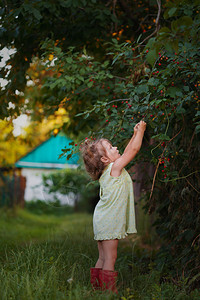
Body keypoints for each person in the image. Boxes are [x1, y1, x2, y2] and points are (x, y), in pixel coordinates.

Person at [81, 120, 146, 294]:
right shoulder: (114, 168)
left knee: (103, 257)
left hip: (101, 218)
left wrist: (134, 134)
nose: (115, 148)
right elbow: (132, 151)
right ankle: (110, 292)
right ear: (104, 159)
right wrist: (141, 132)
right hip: (108, 220)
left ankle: (96, 289)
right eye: (110, 148)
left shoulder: (108, 171)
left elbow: (126, 151)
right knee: (111, 257)